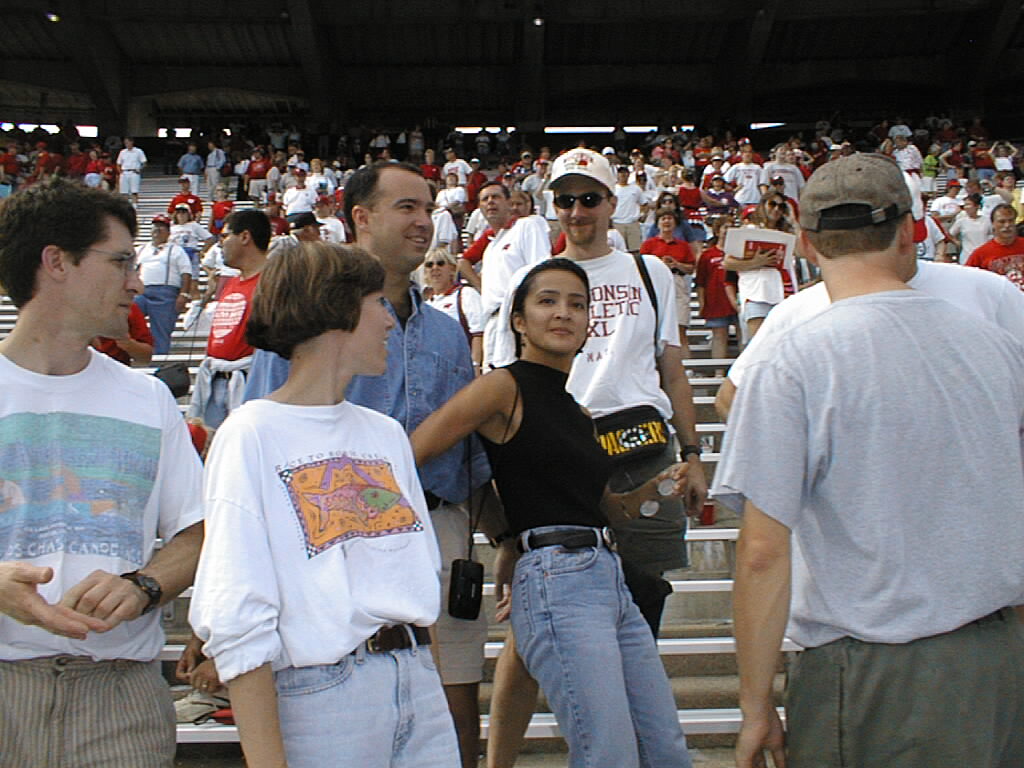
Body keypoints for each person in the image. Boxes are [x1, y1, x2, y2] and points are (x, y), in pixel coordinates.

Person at [713, 152, 1024, 768]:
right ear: (909, 232)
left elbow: (763, 553)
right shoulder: (997, 345)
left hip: (869, 666)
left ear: (806, 243)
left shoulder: (792, 358)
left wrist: (755, 706)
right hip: (994, 654)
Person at [243, 162, 493, 768]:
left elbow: (470, 453)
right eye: (406, 207)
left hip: (437, 527)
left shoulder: (448, 332)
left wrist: (501, 539)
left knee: (451, 700)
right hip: (328, 532)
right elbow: (262, 431)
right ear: (360, 216)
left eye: (428, 208)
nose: (423, 221)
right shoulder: (306, 319)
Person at [411, 258, 693, 768]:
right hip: (555, 577)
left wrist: (654, 488)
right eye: (548, 301)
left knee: (665, 748)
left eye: (577, 305)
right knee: (608, 752)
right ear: (519, 320)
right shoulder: (503, 387)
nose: (564, 313)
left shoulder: (579, 412)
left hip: (607, 573)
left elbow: (610, 509)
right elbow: (416, 451)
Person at [189, 241, 460, 768]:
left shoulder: (386, 435)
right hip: (321, 695)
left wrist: (427, 684)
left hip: (418, 681)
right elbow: (237, 609)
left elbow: (416, 577)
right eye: (377, 303)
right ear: (336, 311)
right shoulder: (250, 433)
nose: (390, 320)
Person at [0, 179, 203, 767]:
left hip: (120, 698)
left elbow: (198, 532)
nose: (136, 283)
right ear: (56, 262)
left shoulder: (148, 399)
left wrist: (144, 586)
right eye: (119, 262)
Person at [186, 209, 269, 429]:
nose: (220, 243)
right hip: (217, 381)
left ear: (245, 237)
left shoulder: (272, 282)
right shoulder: (231, 283)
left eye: (224, 236)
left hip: (249, 383)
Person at [134, 213, 193, 355]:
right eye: (155, 227)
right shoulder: (141, 249)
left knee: (161, 331)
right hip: (142, 291)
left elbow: (186, 272)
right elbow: (132, 269)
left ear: (168, 232)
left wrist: (183, 294)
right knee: (129, 315)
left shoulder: (176, 250)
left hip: (166, 293)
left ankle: (159, 360)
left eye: (161, 227)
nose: (157, 230)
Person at [422, 246, 484, 372]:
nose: (435, 268)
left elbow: (479, 334)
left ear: (452, 269)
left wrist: (475, 366)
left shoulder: (466, 294)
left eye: (440, 263)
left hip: (461, 369)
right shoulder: (425, 306)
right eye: (429, 265)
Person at [965, 203, 1024, 290]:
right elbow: (968, 281)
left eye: (1011, 221)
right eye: (1002, 222)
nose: (1007, 225)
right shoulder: (980, 254)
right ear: (993, 224)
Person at [116, 136, 147, 206]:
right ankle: (125, 206)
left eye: (127, 142)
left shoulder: (138, 151)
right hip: (124, 172)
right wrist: (120, 172)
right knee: (124, 192)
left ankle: (134, 206)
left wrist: (139, 169)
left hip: (134, 172)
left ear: (131, 142)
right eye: (125, 143)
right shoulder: (122, 152)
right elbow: (118, 163)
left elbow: (144, 162)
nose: (126, 144)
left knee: (134, 191)